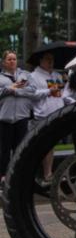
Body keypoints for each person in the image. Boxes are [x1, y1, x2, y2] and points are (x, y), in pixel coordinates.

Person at [23, 52, 74, 183]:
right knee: (38, 146)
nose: (51, 62)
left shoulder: (57, 75)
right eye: (47, 59)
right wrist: (48, 91)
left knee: (51, 146)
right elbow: (31, 94)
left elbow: (62, 94)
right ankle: (32, 174)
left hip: (56, 114)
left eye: (52, 59)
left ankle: (48, 174)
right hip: (41, 116)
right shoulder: (33, 76)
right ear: (40, 61)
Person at [0, 51, 31, 184]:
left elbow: (33, 89)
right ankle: (3, 176)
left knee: (20, 148)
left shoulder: (25, 75)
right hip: (5, 118)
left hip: (22, 117)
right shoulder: (0, 77)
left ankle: (19, 175)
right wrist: (9, 88)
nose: (12, 61)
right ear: (3, 62)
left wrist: (17, 90)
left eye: (14, 59)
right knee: (4, 150)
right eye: (9, 59)